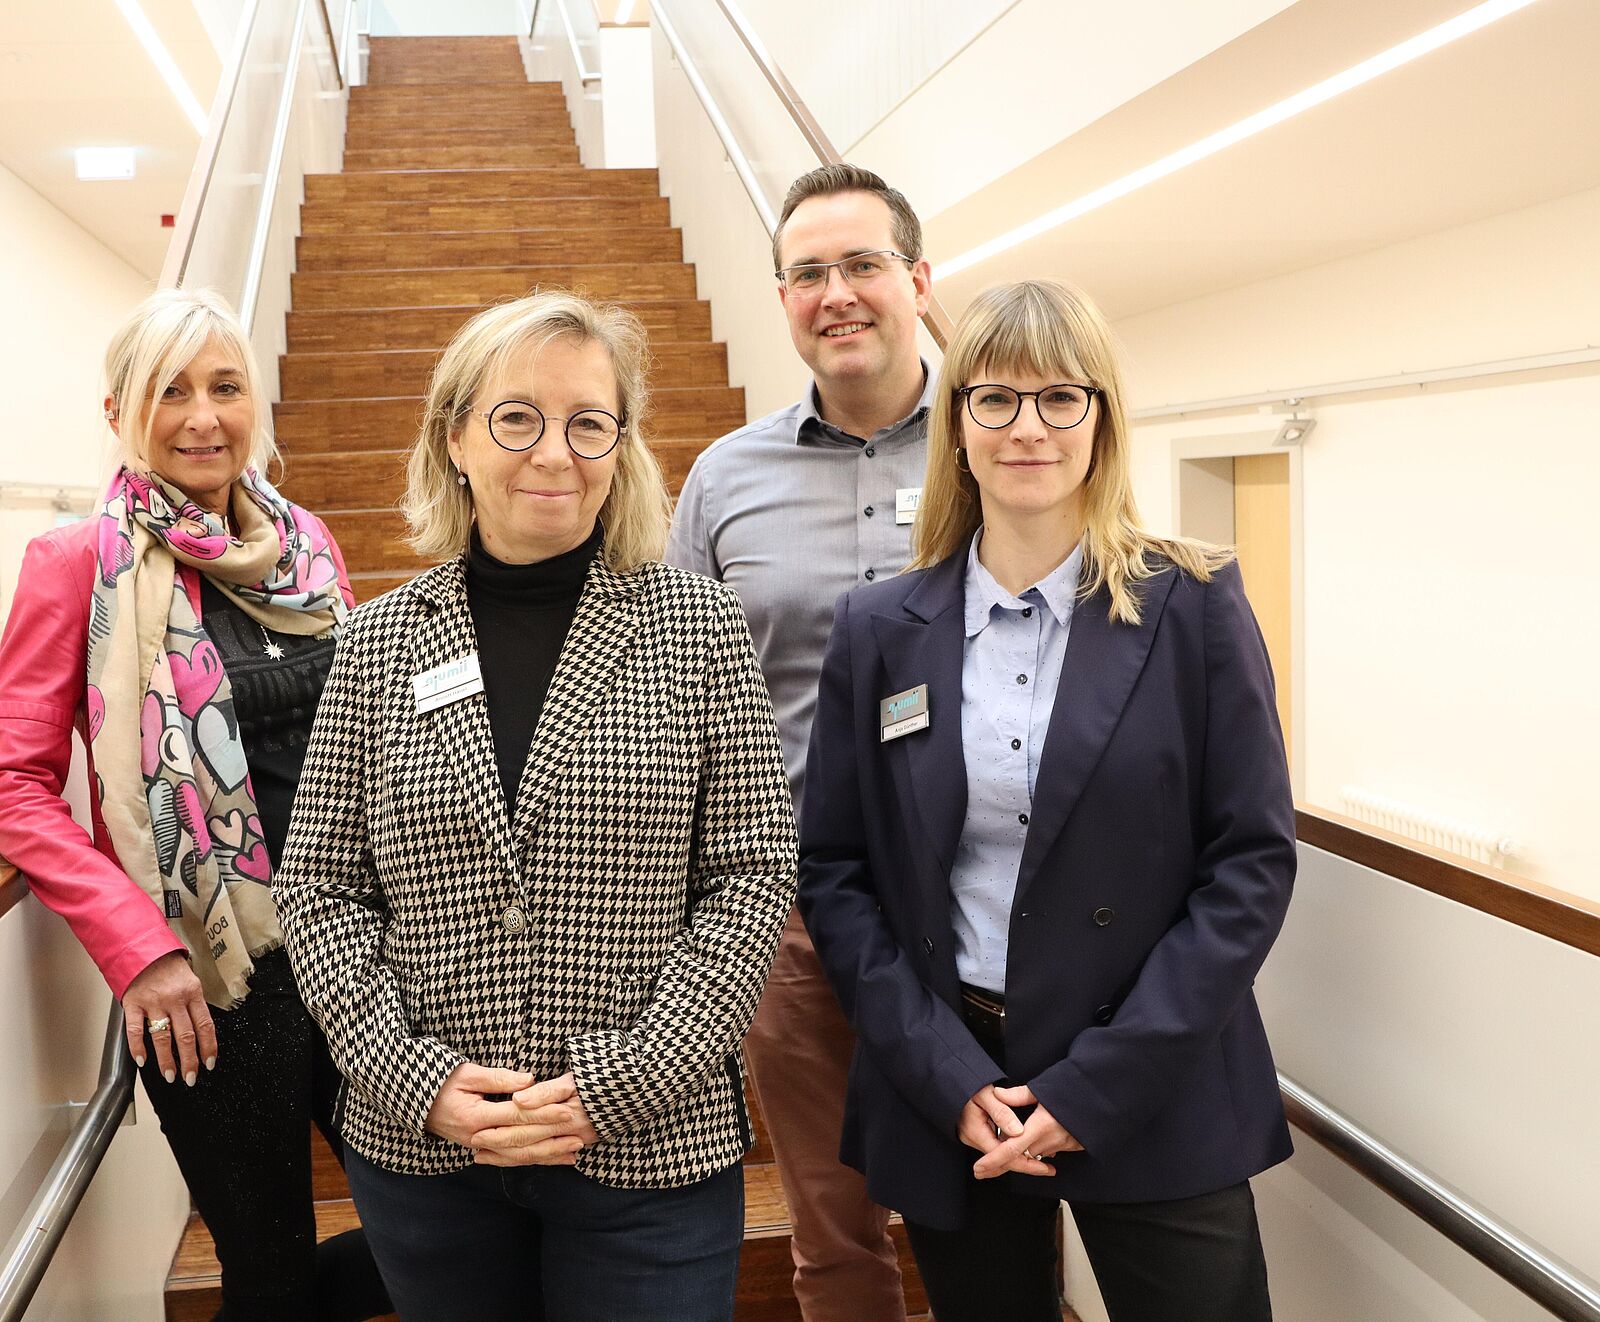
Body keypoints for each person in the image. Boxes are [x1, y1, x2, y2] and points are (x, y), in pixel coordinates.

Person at [273, 289, 796, 1322]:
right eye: (517, 416)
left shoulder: (696, 624)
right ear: (457, 436)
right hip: (426, 1150)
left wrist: (619, 1082)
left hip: (650, 1148)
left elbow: (751, 873)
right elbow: (319, 885)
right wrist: (413, 1076)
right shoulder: (379, 641)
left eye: (587, 421)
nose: (553, 450)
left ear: (620, 445)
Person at [796, 278, 1296, 1322]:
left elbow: (1248, 862)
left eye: (1059, 398)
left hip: (1151, 1072)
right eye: (995, 400)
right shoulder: (879, 627)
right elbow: (838, 875)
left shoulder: (1193, 604)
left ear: (1100, 420)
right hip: (957, 1084)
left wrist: (1097, 1081)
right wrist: (936, 1068)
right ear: (957, 425)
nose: (1028, 427)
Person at [0, 288, 391, 1321]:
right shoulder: (76, 563)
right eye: (170, 390)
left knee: (446, 1230)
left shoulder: (304, 547)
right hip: (214, 982)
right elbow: (14, 782)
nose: (203, 416)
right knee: (269, 1275)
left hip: (365, 946)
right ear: (119, 408)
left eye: (225, 386)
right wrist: (138, 944)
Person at [666, 162, 933, 1322]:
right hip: (793, 907)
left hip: (976, 894)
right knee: (830, 1222)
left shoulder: (1002, 446)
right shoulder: (727, 476)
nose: (837, 293)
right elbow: (674, 691)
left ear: (919, 279)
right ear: (782, 296)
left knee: (996, 1200)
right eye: (808, 272)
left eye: (862, 264)